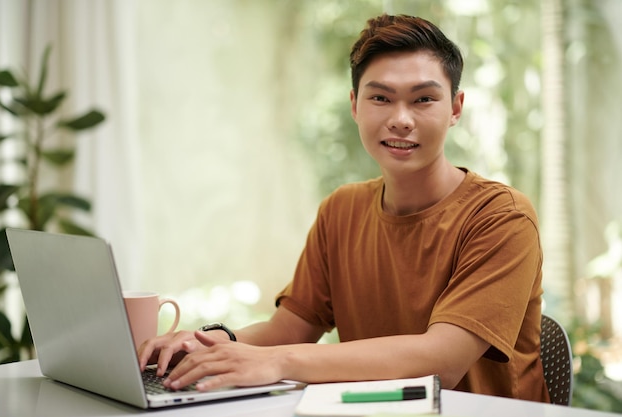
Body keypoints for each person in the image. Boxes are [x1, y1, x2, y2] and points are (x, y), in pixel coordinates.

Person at [138, 14, 550, 402]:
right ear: (355, 105)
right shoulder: (342, 210)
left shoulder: (502, 217)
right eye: (381, 98)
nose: (401, 119)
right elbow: (288, 330)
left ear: (456, 108)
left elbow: (443, 359)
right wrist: (208, 343)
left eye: (423, 99)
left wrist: (277, 361)